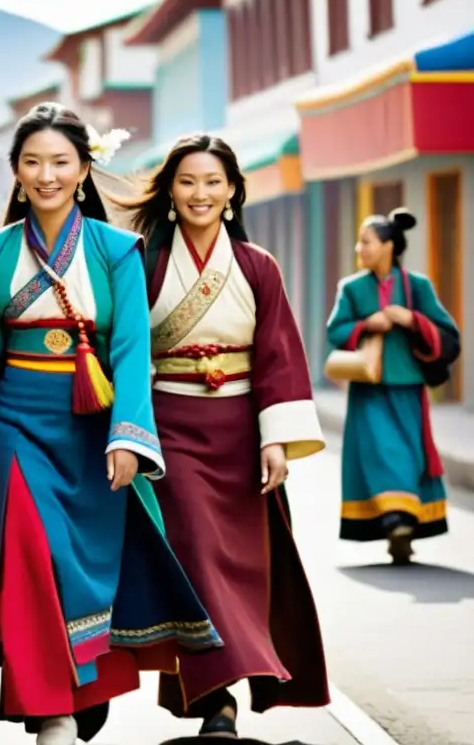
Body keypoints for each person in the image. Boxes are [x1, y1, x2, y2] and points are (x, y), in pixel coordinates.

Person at [0, 103, 220, 745]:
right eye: (32, 162)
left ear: (84, 169)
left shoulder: (117, 251)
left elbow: (133, 351)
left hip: (94, 425)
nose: (47, 174)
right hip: (18, 426)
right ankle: (49, 707)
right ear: (17, 174)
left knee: (84, 563)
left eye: (60, 162)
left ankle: (85, 680)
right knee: (30, 555)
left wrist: (129, 437)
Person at [115, 134, 329, 738]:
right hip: (170, 430)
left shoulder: (258, 266)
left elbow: (278, 357)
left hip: (239, 431)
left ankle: (215, 695)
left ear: (233, 191)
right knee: (197, 557)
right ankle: (219, 703)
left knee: (241, 568)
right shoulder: (142, 260)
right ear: (170, 192)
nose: (200, 194)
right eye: (187, 182)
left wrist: (276, 439)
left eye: (213, 182)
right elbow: (125, 348)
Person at [327, 208, 460, 564]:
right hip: (368, 389)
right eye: (360, 242)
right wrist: (368, 323)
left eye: (367, 242)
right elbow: (335, 331)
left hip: (409, 387)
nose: (360, 248)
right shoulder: (352, 288)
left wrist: (411, 319)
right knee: (382, 453)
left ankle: (400, 523)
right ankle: (395, 522)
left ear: (387, 245)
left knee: (410, 454)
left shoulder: (417, 286)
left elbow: (448, 333)